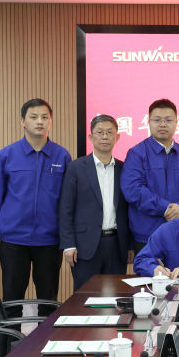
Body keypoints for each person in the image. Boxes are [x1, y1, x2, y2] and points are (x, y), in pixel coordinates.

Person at [0, 98, 71, 318]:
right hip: (14, 240)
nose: (40, 122)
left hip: (49, 240)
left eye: (45, 117)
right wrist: (10, 220)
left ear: (51, 122)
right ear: (23, 121)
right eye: (34, 117)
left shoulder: (62, 155)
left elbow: (66, 200)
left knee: (48, 300)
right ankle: (11, 340)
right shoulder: (6, 155)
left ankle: (44, 340)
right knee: (12, 300)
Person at [58, 115, 131, 290]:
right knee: (85, 296)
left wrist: (129, 245)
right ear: (91, 137)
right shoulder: (76, 168)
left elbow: (129, 210)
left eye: (109, 132)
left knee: (116, 294)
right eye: (100, 132)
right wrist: (68, 244)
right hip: (84, 246)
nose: (105, 137)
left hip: (116, 245)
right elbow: (65, 209)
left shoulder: (124, 169)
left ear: (117, 137)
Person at [120, 98, 179, 251]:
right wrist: (165, 208)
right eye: (157, 120)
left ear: (176, 123)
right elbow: (132, 189)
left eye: (168, 120)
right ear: (148, 122)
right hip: (147, 234)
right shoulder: (137, 153)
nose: (163, 124)